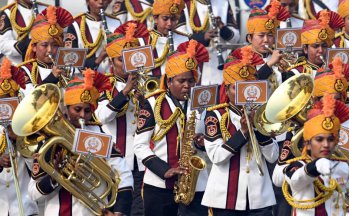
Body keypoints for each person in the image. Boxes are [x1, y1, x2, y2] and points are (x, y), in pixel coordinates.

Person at [274, 57, 349, 216]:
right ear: (315, 99)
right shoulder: (298, 130)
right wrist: (308, 165)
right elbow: (277, 177)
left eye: (338, 99)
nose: (334, 105)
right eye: (327, 99)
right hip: (309, 207)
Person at [28, 68, 134, 216]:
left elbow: (124, 175)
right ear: (66, 109)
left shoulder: (99, 135)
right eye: (77, 109)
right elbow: (33, 193)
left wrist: (119, 211)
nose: (82, 116)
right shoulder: (50, 142)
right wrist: (56, 176)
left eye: (87, 111)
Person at [133, 39, 209, 216]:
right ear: (168, 81)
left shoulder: (201, 103)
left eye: (191, 81)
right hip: (159, 185)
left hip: (195, 185)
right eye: (181, 81)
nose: (187, 86)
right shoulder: (152, 104)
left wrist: (202, 143)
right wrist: (164, 169)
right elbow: (140, 145)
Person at [202, 46, 279, 216]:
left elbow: (273, 156)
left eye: (246, 88)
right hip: (224, 198)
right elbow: (216, 157)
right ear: (227, 90)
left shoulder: (263, 115)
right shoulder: (215, 114)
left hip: (259, 197)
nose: (241, 95)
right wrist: (243, 132)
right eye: (236, 88)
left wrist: (258, 129)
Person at [95, 21, 149, 216]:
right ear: (111, 62)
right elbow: (102, 117)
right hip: (116, 160)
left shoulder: (146, 82)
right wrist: (125, 92)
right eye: (120, 60)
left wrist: (145, 102)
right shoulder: (104, 85)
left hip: (142, 161)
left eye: (131, 59)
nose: (126, 65)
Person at [283, 94, 349, 216]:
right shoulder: (295, 166)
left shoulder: (343, 166)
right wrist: (316, 165)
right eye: (319, 139)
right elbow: (296, 180)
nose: (326, 144)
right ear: (307, 144)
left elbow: (343, 201)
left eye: (330, 139)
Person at [0, 57, 39, 216]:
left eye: (10, 100)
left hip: (25, 207)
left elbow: (35, 168)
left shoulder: (27, 126)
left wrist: (20, 140)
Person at [176, 0, 240, 85]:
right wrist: (202, 37)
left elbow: (236, 38)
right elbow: (179, 39)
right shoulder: (185, 4)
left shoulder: (223, 3)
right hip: (194, 66)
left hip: (219, 68)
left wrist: (223, 29)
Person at [18, 6, 73, 95]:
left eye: (55, 45)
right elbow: (31, 98)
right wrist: (52, 77)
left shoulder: (69, 68)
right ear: (34, 47)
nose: (50, 50)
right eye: (44, 45)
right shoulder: (24, 71)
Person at [245, 0, 290, 92]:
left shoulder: (278, 57)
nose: (266, 40)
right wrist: (270, 64)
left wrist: (287, 71)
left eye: (270, 35)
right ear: (250, 38)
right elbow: (246, 89)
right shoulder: (239, 58)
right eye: (261, 36)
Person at [137, 0, 189, 78]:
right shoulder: (142, 40)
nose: (170, 23)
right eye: (165, 19)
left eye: (174, 19)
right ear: (155, 19)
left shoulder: (184, 39)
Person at [65, 0, 121, 72]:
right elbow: (68, 60)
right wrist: (98, 59)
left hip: (112, 76)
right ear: (88, 1)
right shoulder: (75, 24)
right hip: (83, 78)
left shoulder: (116, 22)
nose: (101, 2)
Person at [287, 10, 344, 79]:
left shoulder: (336, 70)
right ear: (305, 49)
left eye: (324, 46)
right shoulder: (295, 73)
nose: (320, 50)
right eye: (316, 46)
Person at [0, 0, 48, 65]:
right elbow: (3, 45)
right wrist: (27, 45)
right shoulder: (7, 12)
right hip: (19, 67)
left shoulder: (47, 10)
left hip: (45, 65)